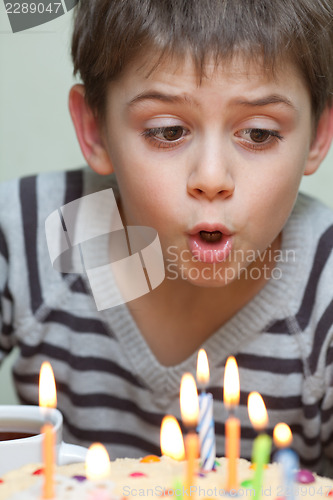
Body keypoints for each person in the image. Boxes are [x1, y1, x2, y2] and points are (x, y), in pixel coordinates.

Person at [1, 0, 333, 475]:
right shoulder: (35, 232)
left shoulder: (325, 292)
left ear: (318, 135)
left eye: (259, 134)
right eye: (168, 130)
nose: (212, 177)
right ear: (94, 128)